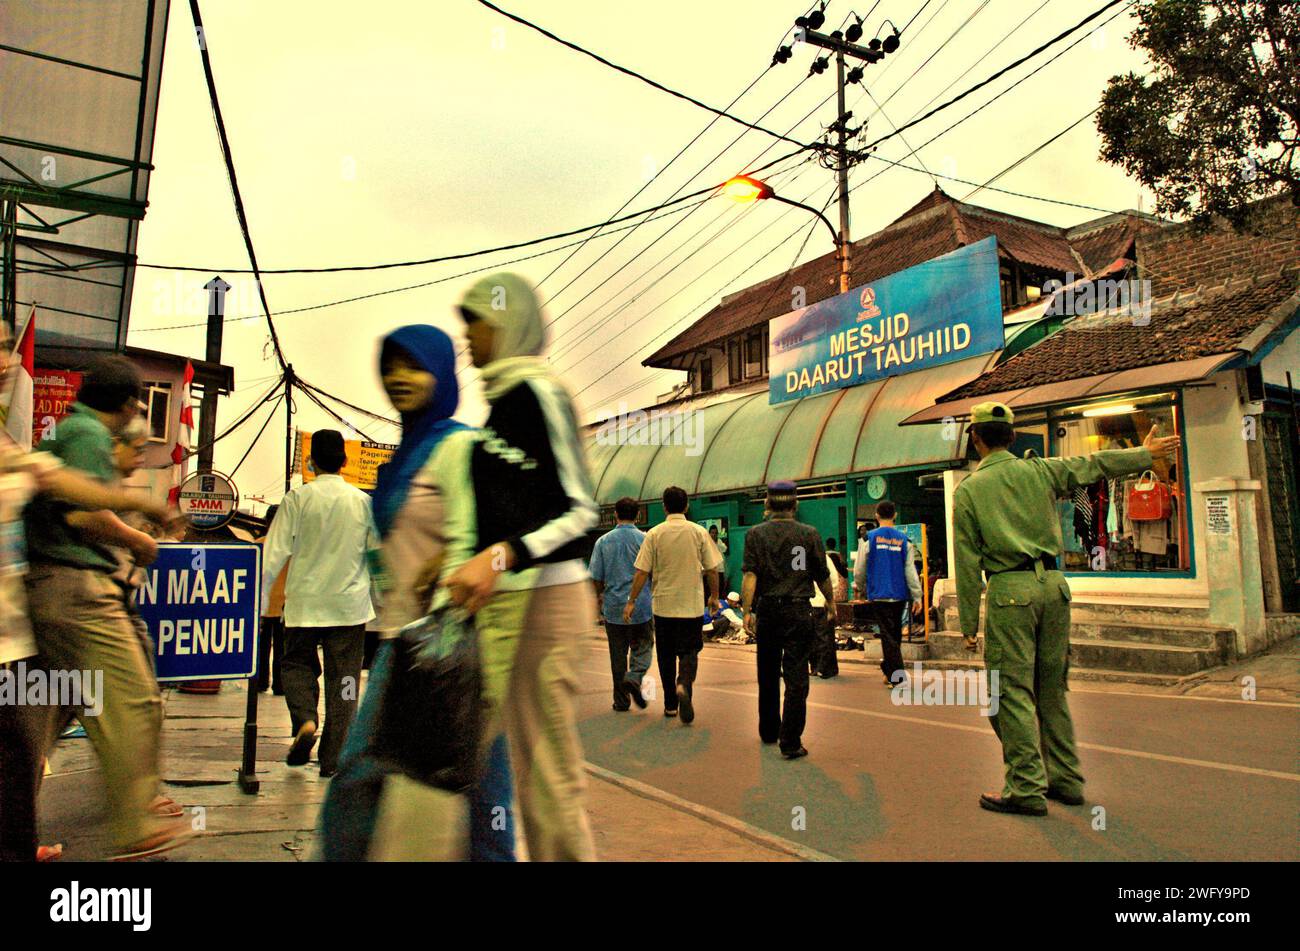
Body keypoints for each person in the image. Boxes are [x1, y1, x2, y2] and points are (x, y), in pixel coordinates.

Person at [319, 324, 516, 861]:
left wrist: (458, 565)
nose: (398, 378)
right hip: (408, 638)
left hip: (455, 638)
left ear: (441, 372)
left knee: (361, 771)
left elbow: (497, 526)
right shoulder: (404, 457)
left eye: (413, 365)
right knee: (477, 781)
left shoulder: (460, 445)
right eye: (390, 365)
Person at [954, 401, 1180, 816]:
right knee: (1052, 690)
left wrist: (968, 624)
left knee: (1010, 694)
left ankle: (1025, 787)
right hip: (1055, 588)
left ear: (976, 438)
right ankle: (1066, 780)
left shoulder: (968, 489)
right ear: (1011, 436)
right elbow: (1092, 464)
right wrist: (1145, 455)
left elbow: (968, 563)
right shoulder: (1039, 470)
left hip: (1009, 591)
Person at [443, 272, 601, 861]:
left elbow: (581, 510)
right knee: (456, 762)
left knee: (546, 777)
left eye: (476, 324)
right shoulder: (498, 407)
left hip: (548, 604)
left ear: (508, 324)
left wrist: (502, 554)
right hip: (500, 606)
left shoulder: (540, 393)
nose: (468, 338)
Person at [20, 355, 190, 860]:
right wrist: (139, 532)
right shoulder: (90, 436)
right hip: (77, 590)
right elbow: (81, 512)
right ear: (126, 404)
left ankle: (13, 832)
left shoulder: (65, 432)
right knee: (133, 699)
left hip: (43, 590)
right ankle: (134, 825)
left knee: (35, 720)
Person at [261, 429, 378, 777]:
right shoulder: (363, 502)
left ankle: (306, 719)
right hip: (349, 607)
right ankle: (334, 759)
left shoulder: (297, 499)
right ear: (345, 462)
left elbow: (273, 553)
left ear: (311, 463)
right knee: (344, 681)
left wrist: (259, 598)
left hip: (304, 604)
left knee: (296, 665)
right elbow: (376, 554)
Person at [741, 481, 834, 759]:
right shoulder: (809, 534)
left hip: (768, 610)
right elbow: (822, 575)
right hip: (798, 611)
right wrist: (830, 603)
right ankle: (791, 740)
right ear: (795, 505)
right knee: (796, 677)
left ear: (767, 504)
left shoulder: (755, 535)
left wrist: (747, 610)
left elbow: (750, 576)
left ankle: (769, 730)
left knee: (767, 672)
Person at [625, 486, 722, 725]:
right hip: (690, 605)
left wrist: (632, 601)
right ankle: (684, 684)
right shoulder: (699, 532)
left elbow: (641, 572)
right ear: (686, 506)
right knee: (690, 651)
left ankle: (670, 705)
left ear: (664, 507)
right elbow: (712, 569)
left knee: (666, 656)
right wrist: (714, 597)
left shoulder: (654, 534)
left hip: (663, 606)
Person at [589, 497, 654, 712]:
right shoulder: (645, 540)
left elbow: (596, 576)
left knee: (617, 655)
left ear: (615, 514)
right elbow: (651, 571)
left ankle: (621, 701)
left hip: (614, 606)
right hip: (640, 606)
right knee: (643, 646)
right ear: (637, 516)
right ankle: (635, 678)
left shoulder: (602, 542)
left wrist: (599, 597)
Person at [856, 501, 923, 686]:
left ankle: (897, 676)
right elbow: (910, 571)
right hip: (900, 594)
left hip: (879, 593)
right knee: (894, 634)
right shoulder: (905, 541)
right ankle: (889, 670)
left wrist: (860, 586)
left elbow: (859, 568)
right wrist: (917, 596)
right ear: (895, 516)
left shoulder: (868, 538)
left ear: (876, 516)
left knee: (888, 635)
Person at [254, 504, 287, 695]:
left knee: (262, 646)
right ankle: (280, 685)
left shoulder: (259, 543)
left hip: (262, 602)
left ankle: (260, 682)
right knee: (282, 647)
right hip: (284, 603)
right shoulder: (290, 545)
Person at [808, 537, 846, 678]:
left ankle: (824, 668)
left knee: (823, 638)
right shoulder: (803, 559)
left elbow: (833, 582)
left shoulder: (824, 559)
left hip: (821, 603)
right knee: (816, 638)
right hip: (812, 603)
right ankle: (819, 667)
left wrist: (828, 600)